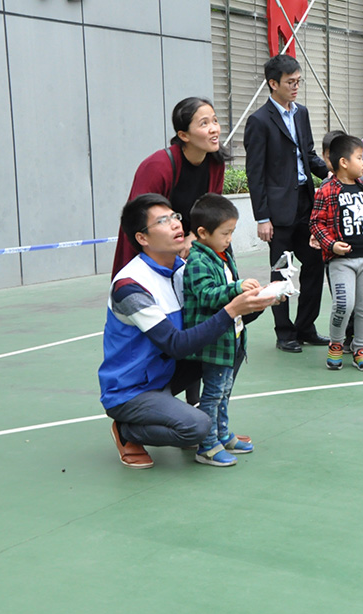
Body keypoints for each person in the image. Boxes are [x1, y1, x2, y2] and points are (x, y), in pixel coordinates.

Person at [99, 194, 277, 469]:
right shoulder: (130, 286)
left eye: (174, 217)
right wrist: (232, 309)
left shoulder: (184, 270)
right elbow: (175, 344)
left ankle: (217, 430)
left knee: (231, 351)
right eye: (162, 221)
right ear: (142, 238)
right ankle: (126, 431)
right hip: (132, 389)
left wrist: (258, 303)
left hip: (168, 374)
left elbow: (213, 324)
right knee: (196, 428)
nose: (174, 225)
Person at [244, 54, 330, 353]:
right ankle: (284, 332)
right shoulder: (258, 122)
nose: (296, 87)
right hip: (277, 212)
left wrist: (331, 172)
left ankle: (306, 327)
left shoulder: (301, 114)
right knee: (281, 272)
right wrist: (262, 217)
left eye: (298, 81)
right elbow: (255, 173)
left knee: (315, 264)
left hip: (307, 205)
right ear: (273, 84)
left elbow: (308, 153)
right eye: (290, 82)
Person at [181, 194, 258, 467]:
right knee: (212, 394)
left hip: (231, 336)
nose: (229, 238)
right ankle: (207, 445)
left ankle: (222, 434)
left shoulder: (220, 253)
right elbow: (206, 295)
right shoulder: (198, 260)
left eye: (232, 232)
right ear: (202, 233)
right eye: (226, 233)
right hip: (214, 341)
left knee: (224, 391)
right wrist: (237, 290)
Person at [112, 97, 227, 276]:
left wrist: (194, 238)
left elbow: (211, 210)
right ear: (183, 135)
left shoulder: (216, 162)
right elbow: (139, 219)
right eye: (204, 124)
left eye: (215, 120)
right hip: (153, 251)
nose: (214, 129)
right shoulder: (158, 166)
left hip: (193, 248)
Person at [311, 135, 363, 371]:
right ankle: (336, 343)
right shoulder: (326, 190)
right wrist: (331, 245)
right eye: (359, 158)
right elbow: (316, 223)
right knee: (343, 304)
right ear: (344, 162)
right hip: (341, 261)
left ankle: (361, 349)